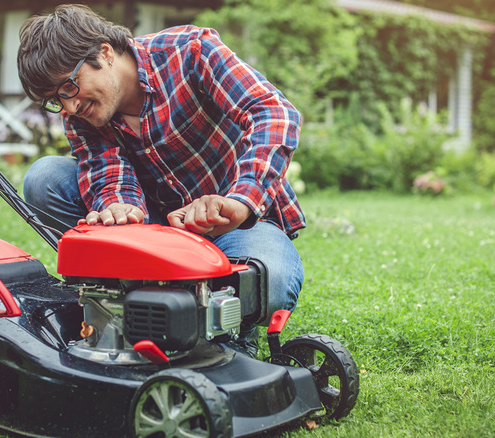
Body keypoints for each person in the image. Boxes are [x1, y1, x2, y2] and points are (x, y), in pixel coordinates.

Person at [17, 4, 305, 356]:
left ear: (104, 53)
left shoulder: (190, 51)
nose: (70, 107)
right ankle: (117, 295)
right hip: (154, 231)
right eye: (55, 100)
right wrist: (117, 207)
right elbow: (107, 169)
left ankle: (226, 323)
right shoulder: (83, 112)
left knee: (271, 282)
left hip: (237, 226)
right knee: (44, 176)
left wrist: (241, 199)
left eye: (69, 87)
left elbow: (273, 112)